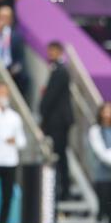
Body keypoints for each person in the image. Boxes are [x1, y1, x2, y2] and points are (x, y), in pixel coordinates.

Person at [0, 82, 26, 223]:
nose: (3, 96)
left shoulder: (14, 117)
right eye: (1, 93)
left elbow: (22, 141)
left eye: (5, 93)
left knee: (7, 196)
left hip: (9, 161)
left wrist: (14, 141)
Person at [40, 41, 74, 201]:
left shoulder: (60, 71)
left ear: (60, 51)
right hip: (59, 121)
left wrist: (41, 110)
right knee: (59, 155)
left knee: (59, 156)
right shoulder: (58, 69)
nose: (50, 54)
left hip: (58, 122)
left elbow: (51, 96)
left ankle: (63, 191)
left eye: (52, 51)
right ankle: (61, 189)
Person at [0, 6, 28, 100]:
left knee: (24, 78)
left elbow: (20, 61)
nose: (2, 21)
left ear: (11, 20)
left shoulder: (16, 37)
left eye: (5, 18)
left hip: (11, 72)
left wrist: (11, 72)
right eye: (0, 17)